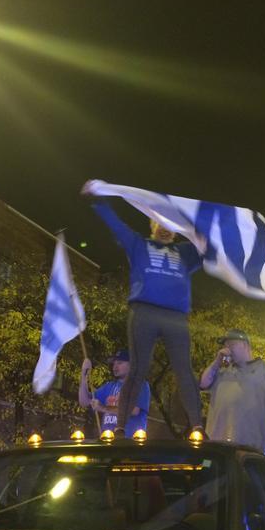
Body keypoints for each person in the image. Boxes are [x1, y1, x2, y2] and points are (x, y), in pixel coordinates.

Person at [81, 186, 204, 437]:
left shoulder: (185, 252)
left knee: (184, 369)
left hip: (175, 317)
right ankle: (121, 426)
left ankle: (198, 425)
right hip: (144, 312)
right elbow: (117, 226)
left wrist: (200, 225)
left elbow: (207, 245)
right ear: (152, 226)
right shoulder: (139, 245)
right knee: (138, 368)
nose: (165, 227)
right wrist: (99, 201)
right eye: (159, 223)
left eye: (170, 224)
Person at [200, 329, 265, 453]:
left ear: (245, 345)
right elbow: (203, 383)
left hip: (250, 449)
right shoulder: (222, 372)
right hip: (215, 448)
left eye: (232, 344)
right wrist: (217, 362)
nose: (227, 349)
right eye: (225, 345)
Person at [79, 349, 151, 437]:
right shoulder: (109, 386)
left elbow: (134, 410)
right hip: (108, 440)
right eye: (114, 363)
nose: (115, 367)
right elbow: (84, 401)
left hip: (131, 442)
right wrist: (84, 375)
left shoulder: (140, 385)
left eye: (120, 363)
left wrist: (103, 408)